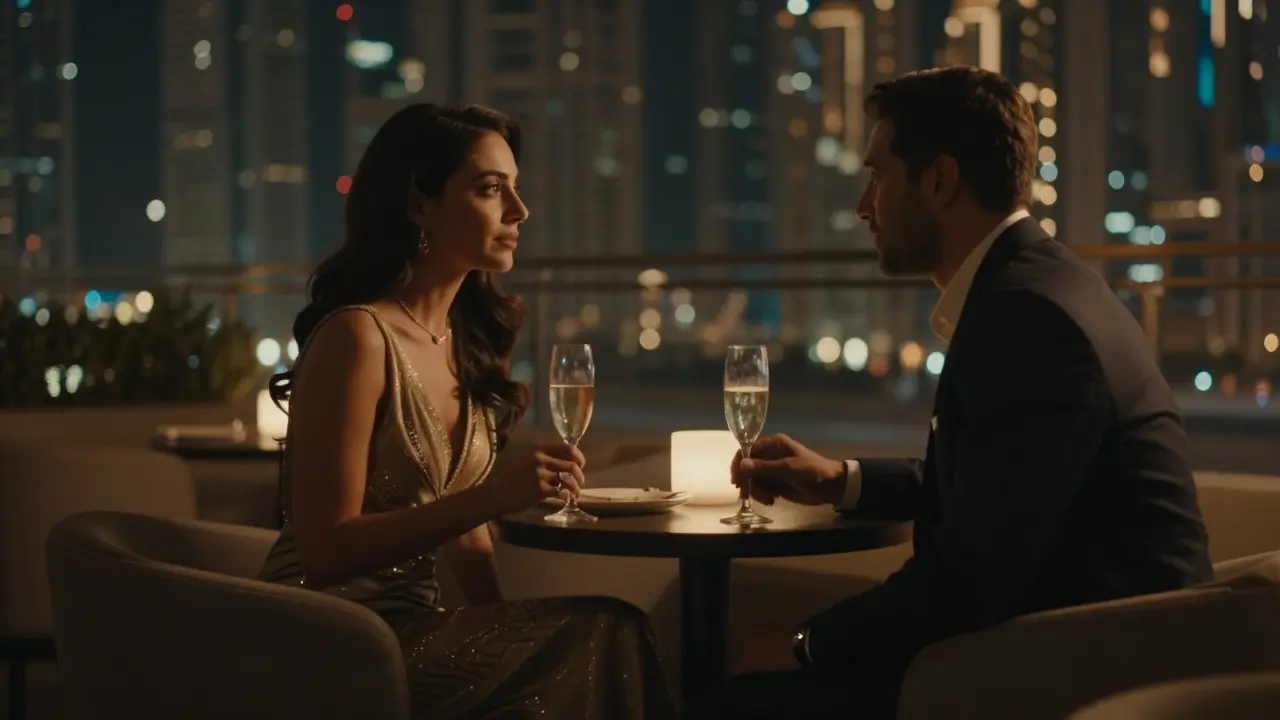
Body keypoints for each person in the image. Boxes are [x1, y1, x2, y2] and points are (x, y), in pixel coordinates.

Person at [689, 67, 1213, 719]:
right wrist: (842, 481)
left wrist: (806, 642)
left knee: (730, 704)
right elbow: (1004, 487)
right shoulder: (1042, 282)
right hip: (1086, 644)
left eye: (878, 176)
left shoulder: (1027, 318)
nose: (862, 205)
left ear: (939, 180)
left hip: (1088, 670)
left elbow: (967, 580)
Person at [258, 103, 676, 720]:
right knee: (605, 631)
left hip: (414, 628)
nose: (519, 211)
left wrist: (501, 620)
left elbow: (459, 518)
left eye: (516, 188)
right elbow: (324, 550)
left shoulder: (461, 341)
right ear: (418, 204)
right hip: (325, 634)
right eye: (489, 189)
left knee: (604, 631)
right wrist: (494, 497)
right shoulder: (358, 337)